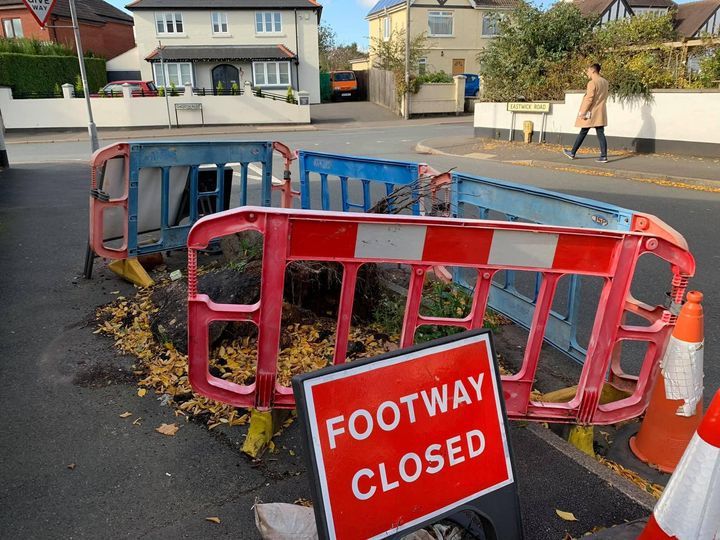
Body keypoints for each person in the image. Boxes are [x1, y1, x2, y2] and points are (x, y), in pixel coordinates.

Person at [563, 63, 609, 163]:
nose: (587, 73)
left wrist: (583, 112)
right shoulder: (605, 82)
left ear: (593, 70)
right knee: (600, 133)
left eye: (588, 71)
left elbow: (589, 98)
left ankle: (572, 152)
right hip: (600, 112)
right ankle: (604, 156)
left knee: (583, 131)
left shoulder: (592, 83)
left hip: (591, 112)